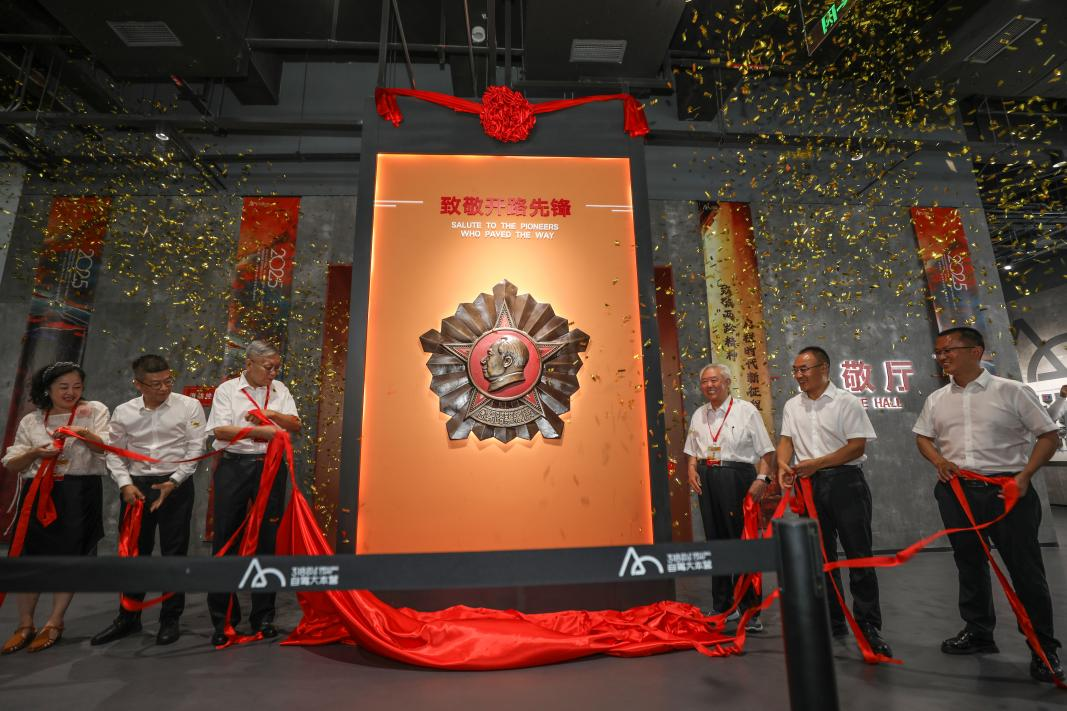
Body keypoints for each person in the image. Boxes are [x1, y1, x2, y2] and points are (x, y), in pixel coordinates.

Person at [914, 326, 1062, 683]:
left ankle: (1043, 647)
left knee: (1025, 570)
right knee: (969, 564)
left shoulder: (1012, 391)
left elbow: (1048, 436)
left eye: (948, 350)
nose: (942, 357)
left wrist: (1025, 475)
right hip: (957, 493)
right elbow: (923, 437)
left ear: (976, 351)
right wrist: (939, 460)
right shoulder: (937, 398)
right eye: (939, 352)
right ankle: (978, 631)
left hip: (1007, 492)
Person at [776, 345, 891, 656]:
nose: (799, 375)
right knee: (820, 556)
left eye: (804, 369)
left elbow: (856, 446)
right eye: (796, 370)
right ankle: (832, 619)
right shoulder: (792, 405)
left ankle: (868, 625)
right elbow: (786, 440)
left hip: (845, 482)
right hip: (809, 486)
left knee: (858, 555)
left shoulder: (846, 401)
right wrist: (783, 464)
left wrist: (818, 463)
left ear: (824, 368)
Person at [90, 355, 206, 647]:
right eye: (155, 384)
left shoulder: (188, 406)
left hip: (175, 485)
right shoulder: (124, 412)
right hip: (137, 488)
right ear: (138, 384)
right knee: (134, 553)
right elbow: (114, 452)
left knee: (174, 553)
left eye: (168, 381)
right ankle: (128, 617)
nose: (164, 388)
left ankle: (170, 618)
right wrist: (125, 484)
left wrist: (174, 481)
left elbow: (196, 448)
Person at [0, 361, 109, 654]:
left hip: (78, 492)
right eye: (63, 387)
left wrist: (82, 434)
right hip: (37, 493)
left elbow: (106, 448)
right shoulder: (32, 420)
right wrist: (35, 453)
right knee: (29, 558)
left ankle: (54, 621)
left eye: (77, 386)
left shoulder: (94, 411)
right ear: (47, 389)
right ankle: (24, 623)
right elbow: (11, 462)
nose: (71, 392)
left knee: (69, 557)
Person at [205, 340, 300, 646]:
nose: (273, 373)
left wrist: (270, 414)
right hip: (234, 466)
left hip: (270, 467)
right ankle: (223, 620)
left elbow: (294, 424)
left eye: (277, 368)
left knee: (268, 540)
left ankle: (264, 617)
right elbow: (220, 431)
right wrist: (264, 430)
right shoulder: (228, 390)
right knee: (225, 539)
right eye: (268, 367)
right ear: (249, 363)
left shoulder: (280, 389)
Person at [684, 364, 775, 632]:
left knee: (742, 542)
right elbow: (692, 450)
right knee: (716, 543)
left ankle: (750, 610)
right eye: (704, 382)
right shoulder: (699, 414)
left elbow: (767, 452)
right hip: (707, 479)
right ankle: (722, 605)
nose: (709, 385)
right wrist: (691, 468)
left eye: (714, 380)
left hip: (737, 478)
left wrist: (762, 479)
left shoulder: (746, 411)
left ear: (726, 382)